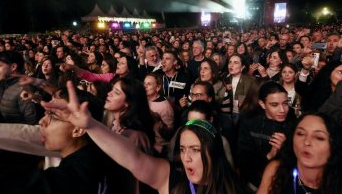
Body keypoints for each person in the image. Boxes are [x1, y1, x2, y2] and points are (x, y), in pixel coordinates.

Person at [42, 81, 243, 193]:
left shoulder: (235, 190)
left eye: (195, 150)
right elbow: (133, 158)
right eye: (182, 149)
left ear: (214, 150)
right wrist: (91, 126)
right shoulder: (173, 180)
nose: (186, 158)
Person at [257, 113, 342, 194]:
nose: (306, 142)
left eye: (319, 138)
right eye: (300, 134)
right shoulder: (276, 170)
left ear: (334, 146)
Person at [237, 81, 295, 192]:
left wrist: (287, 148)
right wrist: (269, 156)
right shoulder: (249, 123)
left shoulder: (294, 123)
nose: (282, 110)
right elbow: (244, 162)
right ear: (262, 104)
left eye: (285, 103)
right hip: (254, 185)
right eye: (274, 105)